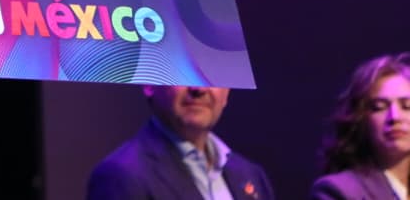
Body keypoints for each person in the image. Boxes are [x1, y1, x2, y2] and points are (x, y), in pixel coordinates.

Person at [85, 85, 275, 200]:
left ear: (227, 93)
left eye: (211, 75)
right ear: (149, 84)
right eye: (185, 71)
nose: (199, 89)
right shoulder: (120, 177)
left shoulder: (251, 174)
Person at [310, 53, 410, 200]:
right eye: (378, 107)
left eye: (407, 106)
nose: (394, 117)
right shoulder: (338, 191)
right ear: (360, 119)